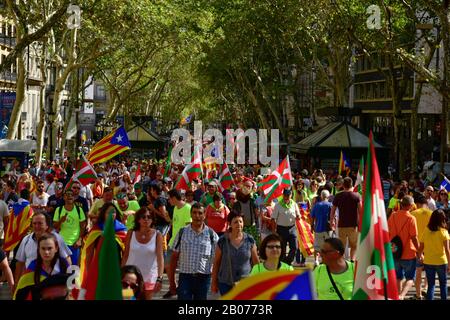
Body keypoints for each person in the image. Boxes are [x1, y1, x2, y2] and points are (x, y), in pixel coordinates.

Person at [169, 203, 219, 300]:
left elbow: (216, 261)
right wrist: (172, 282)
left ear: (204, 215)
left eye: (200, 213)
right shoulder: (182, 232)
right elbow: (174, 258)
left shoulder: (212, 235)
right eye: (194, 213)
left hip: (204, 279)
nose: (197, 216)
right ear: (190, 214)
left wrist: (215, 281)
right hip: (185, 278)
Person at [78, 203, 127, 300]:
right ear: (103, 214)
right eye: (109, 212)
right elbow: (89, 254)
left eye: (113, 212)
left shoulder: (122, 230)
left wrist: (124, 271)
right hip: (99, 268)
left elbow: (126, 253)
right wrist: (88, 273)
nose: (111, 215)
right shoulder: (96, 230)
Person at [14, 212, 71, 284]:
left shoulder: (56, 238)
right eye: (34, 223)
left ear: (47, 225)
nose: (37, 226)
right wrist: (17, 283)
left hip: (54, 283)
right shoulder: (26, 240)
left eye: (40, 223)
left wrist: (69, 281)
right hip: (33, 283)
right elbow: (20, 263)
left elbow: (67, 259)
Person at [211, 211, 259, 295]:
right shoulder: (222, 240)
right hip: (225, 283)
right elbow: (216, 263)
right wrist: (214, 283)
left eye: (241, 221)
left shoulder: (250, 240)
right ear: (230, 224)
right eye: (235, 222)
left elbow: (256, 262)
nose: (239, 224)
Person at [122, 207, 163, 300]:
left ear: (152, 220)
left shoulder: (158, 235)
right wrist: (121, 273)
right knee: (127, 298)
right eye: (143, 217)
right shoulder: (131, 233)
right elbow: (125, 255)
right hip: (130, 278)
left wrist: (159, 278)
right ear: (138, 219)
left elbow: (160, 258)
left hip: (149, 277)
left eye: (149, 217)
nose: (146, 219)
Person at [13, 233, 69, 300]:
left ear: (56, 248)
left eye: (49, 248)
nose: (46, 252)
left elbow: (72, 290)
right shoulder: (33, 267)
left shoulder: (63, 265)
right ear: (39, 249)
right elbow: (22, 292)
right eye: (43, 248)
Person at [387, 195, 419, 300]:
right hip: (409, 253)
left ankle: (397, 296)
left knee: (398, 277)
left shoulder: (393, 215)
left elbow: (387, 232)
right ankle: (401, 295)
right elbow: (414, 237)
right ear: (410, 205)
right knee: (410, 278)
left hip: (395, 251)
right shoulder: (411, 218)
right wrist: (420, 252)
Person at [164, 189, 192, 299]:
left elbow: (189, 228)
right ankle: (173, 288)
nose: (168, 201)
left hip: (183, 244)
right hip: (173, 243)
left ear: (174, 198)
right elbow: (174, 225)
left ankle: (181, 289)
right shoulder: (175, 208)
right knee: (167, 266)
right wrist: (168, 219)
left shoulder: (187, 208)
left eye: (169, 198)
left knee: (183, 269)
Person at [417, 209, 450, 300]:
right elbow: (447, 250)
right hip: (441, 261)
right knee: (443, 284)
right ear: (442, 219)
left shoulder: (426, 231)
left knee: (431, 285)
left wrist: (419, 256)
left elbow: (420, 247)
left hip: (428, 261)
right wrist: (449, 264)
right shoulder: (444, 232)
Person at [330, 177, 362, 261]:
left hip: (342, 225)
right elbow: (361, 211)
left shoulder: (338, 196)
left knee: (342, 246)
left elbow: (332, 211)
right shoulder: (356, 196)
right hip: (353, 225)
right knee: (354, 246)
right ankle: (352, 260)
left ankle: (343, 261)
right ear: (351, 185)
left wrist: (331, 222)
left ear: (343, 185)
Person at [53, 189, 87, 266]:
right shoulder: (59, 210)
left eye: (71, 195)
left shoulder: (79, 210)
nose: (69, 196)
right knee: (62, 268)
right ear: (64, 197)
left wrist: (79, 240)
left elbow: (83, 226)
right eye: (67, 194)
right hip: (62, 244)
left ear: (74, 198)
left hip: (75, 245)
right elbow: (55, 226)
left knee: (74, 268)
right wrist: (61, 221)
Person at [410, 195, 432, 299]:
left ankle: (418, 294)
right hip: (430, 245)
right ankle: (426, 288)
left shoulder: (412, 214)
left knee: (418, 271)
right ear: (426, 203)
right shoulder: (432, 214)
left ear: (417, 204)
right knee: (429, 269)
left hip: (417, 246)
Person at [271, 188, 300, 265]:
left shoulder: (294, 204)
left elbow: (298, 214)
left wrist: (298, 216)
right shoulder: (278, 205)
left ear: (291, 195)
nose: (287, 197)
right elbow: (273, 219)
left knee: (294, 247)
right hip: (281, 229)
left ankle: (288, 261)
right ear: (283, 195)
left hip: (292, 228)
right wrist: (274, 231)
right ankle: (283, 263)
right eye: (285, 195)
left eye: (288, 195)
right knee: (282, 248)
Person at [311, 190, 332, 265]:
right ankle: (326, 260)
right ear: (328, 196)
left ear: (321, 196)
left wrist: (312, 226)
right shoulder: (330, 205)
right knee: (328, 246)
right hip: (328, 229)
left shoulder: (316, 205)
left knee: (317, 246)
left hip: (318, 228)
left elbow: (312, 217)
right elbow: (333, 216)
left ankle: (316, 260)